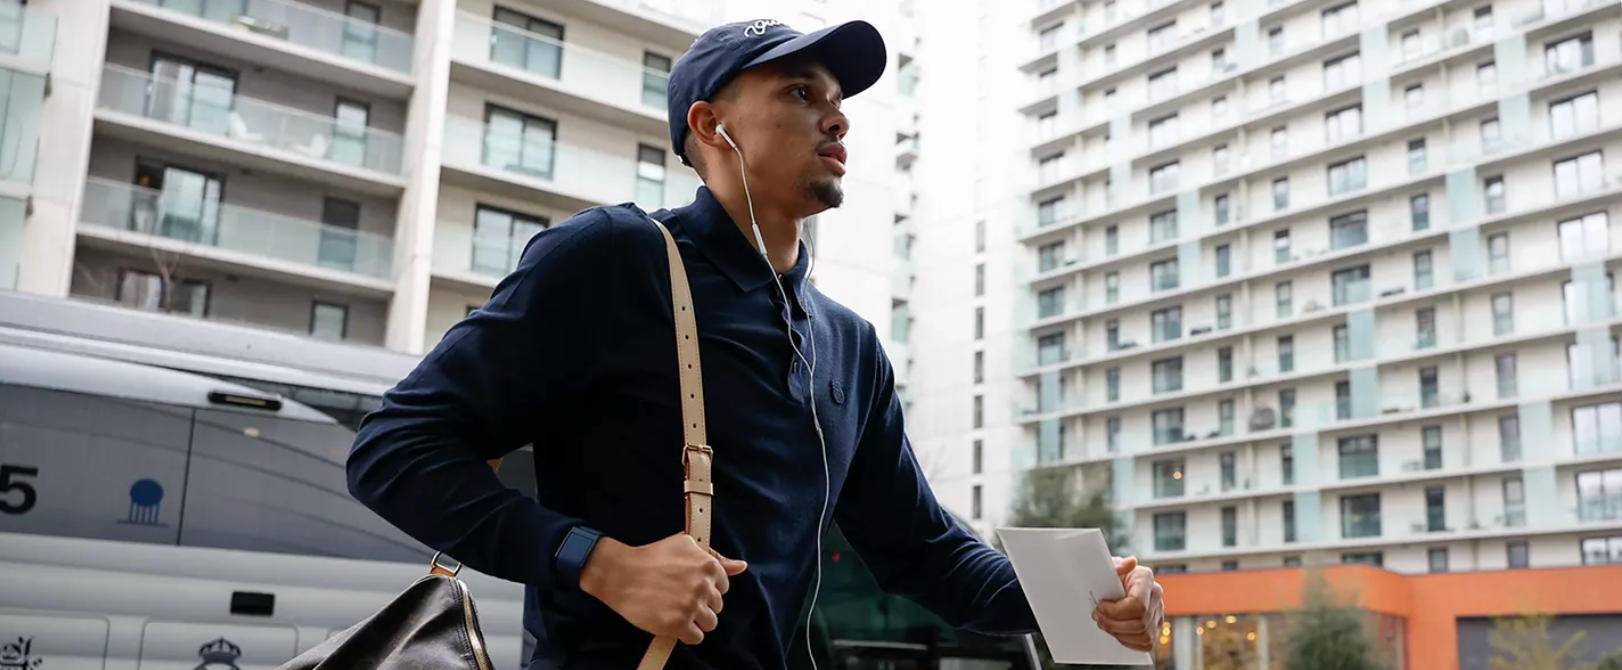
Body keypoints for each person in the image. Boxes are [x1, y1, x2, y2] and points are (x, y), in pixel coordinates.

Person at [348, 18, 1165, 669]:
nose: (836, 117)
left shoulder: (850, 345)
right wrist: (600, 562)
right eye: (801, 92)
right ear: (711, 125)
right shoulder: (614, 260)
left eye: (838, 100)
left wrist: (1095, 596)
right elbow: (394, 448)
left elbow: (925, 551)